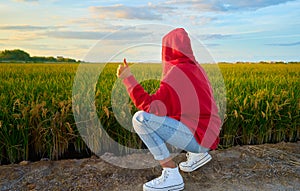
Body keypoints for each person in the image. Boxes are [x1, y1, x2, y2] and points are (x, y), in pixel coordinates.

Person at [116, 28, 221, 191]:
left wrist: (128, 79)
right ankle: (199, 155)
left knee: (140, 119)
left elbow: (151, 107)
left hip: (198, 139)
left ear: (168, 49)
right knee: (178, 115)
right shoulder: (196, 68)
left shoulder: (177, 72)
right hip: (209, 136)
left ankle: (171, 173)